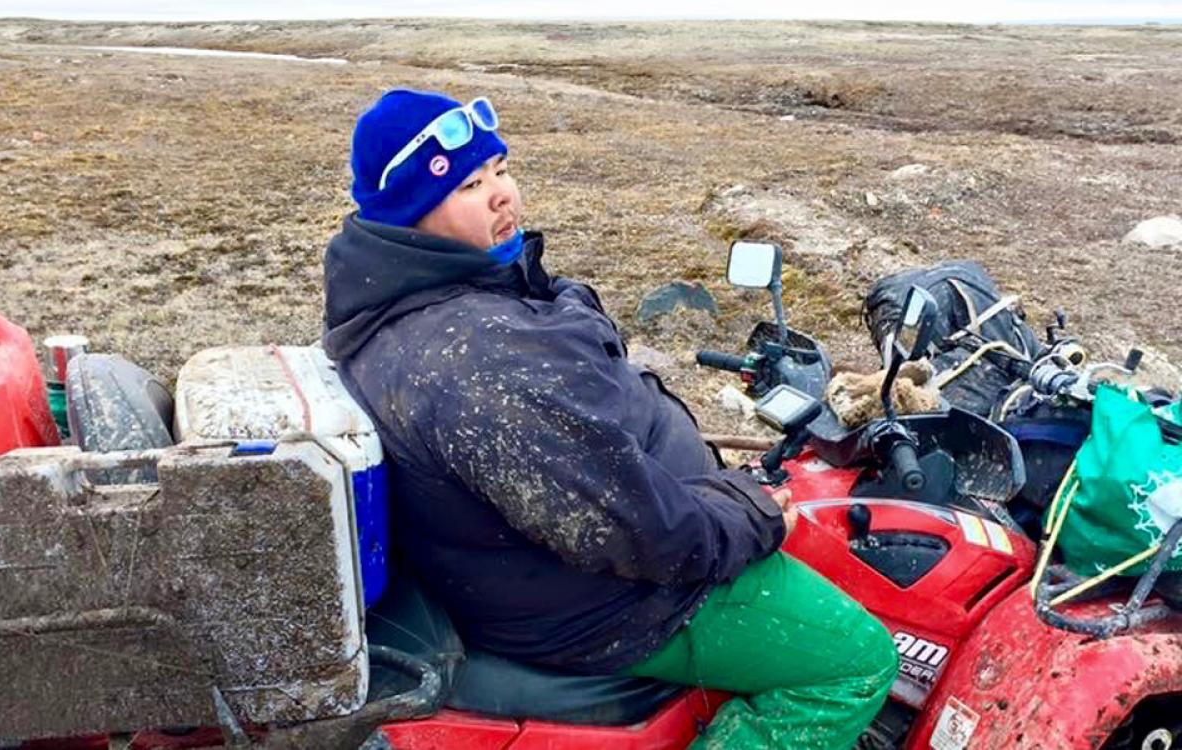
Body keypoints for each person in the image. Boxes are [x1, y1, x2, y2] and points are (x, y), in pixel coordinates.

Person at [322, 88, 897, 750]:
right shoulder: (476, 360)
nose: (503, 194)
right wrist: (753, 514)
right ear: (410, 216)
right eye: (471, 186)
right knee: (853, 661)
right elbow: (633, 531)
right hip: (614, 604)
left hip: (544, 574)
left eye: (501, 170)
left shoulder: (422, 301)